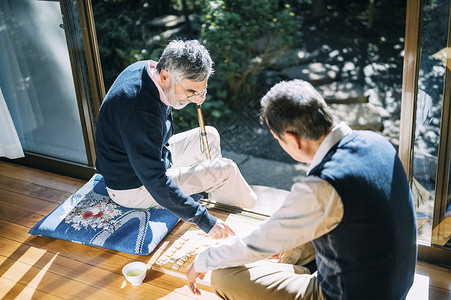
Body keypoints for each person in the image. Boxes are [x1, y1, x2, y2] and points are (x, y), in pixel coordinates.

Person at [186, 79, 417, 299]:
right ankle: (291, 269)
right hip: (395, 283)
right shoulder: (376, 142)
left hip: (347, 294)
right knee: (282, 234)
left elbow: (257, 243)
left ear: (292, 139)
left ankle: (295, 275)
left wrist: (202, 260)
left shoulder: (325, 184)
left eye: (278, 140)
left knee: (225, 277)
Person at [95, 39, 257, 239]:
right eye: (191, 91)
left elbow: (161, 121)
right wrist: (202, 219)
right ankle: (249, 227)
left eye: (200, 90)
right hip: (133, 187)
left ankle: (220, 207)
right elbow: (155, 180)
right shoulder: (139, 111)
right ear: (165, 76)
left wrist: (193, 94)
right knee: (226, 170)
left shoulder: (147, 69)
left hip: (150, 159)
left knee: (211, 135)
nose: (196, 96)